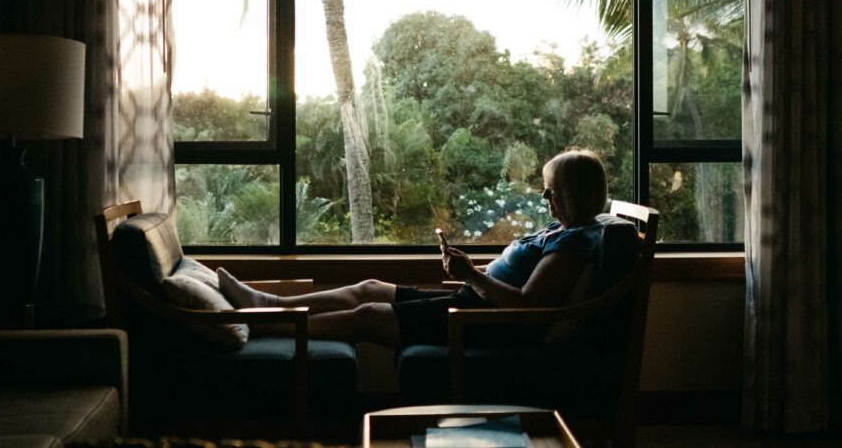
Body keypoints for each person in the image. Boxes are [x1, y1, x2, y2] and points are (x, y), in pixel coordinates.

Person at [215, 148, 608, 349]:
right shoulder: (562, 229)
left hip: (484, 324)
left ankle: (270, 325)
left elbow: (529, 307)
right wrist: (476, 272)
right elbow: (519, 277)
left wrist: (472, 276)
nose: (544, 195)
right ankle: (270, 303)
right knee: (369, 286)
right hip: (473, 301)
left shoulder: (576, 241)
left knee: (369, 314)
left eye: (552, 189)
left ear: (577, 193)